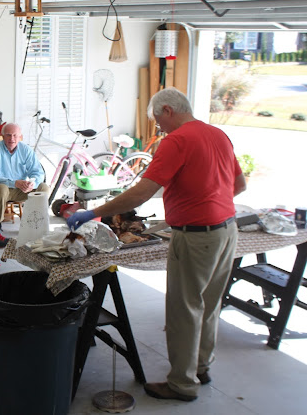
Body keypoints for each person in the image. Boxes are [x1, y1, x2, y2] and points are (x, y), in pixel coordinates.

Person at [67, 87, 247, 402]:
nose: (158, 127)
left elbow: (141, 193)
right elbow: (239, 185)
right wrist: (209, 203)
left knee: (184, 310)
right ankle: (201, 367)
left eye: (157, 120)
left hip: (196, 237)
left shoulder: (177, 140)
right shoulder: (218, 135)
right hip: (227, 231)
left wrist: (92, 213)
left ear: (167, 110)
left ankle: (182, 384)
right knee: (208, 305)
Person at [0, 123, 49, 234]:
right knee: (1, 189)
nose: (12, 138)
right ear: (2, 136)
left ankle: (36, 223)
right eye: (8, 135)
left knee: (43, 187)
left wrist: (32, 183)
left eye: (15, 135)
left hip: (20, 189)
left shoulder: (26, 150)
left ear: (20, 137)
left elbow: (38, 172)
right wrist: (14, 183)